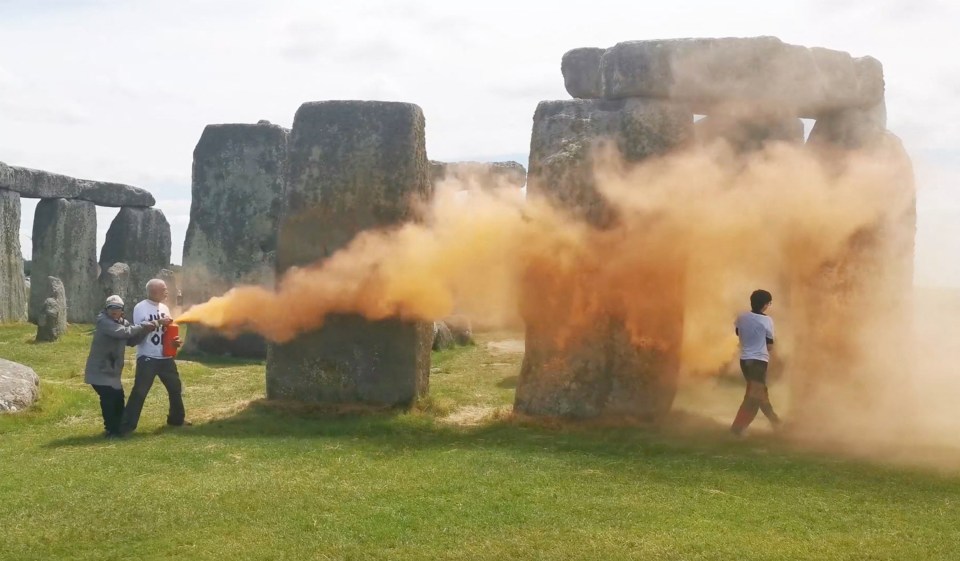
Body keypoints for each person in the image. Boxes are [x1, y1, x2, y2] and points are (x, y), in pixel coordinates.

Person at [84, 295, 157, 438]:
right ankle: (111, 430)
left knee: (118, 399)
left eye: (117, 308)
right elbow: (123, 332)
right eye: (111, 308)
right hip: (99, 370)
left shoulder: (123, 323)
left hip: (112, 371)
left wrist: (147, 330)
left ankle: (116, 429)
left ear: (122, 311)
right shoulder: (103, 321)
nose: (114, 311)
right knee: (109, 400)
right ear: (106, 309)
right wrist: (143, 325)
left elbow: (131, 340)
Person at [120, 279, 186, 434]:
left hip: (165, 358)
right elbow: (141, 328)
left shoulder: (164, 307)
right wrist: (158, 322)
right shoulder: (141, 307)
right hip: (147, 357)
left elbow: (167, 331)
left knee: (175, 388)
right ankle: (126, 426)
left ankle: (176, 420)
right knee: (140, 391)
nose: (167, 292)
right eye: (164, 289)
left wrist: (175, 342)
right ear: (154, 291)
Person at [730, 289, 781, 436]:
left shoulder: (741, 317)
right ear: (765, 304)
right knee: (755, 397)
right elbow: (770, 346)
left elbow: (739, 333)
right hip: (759, 362)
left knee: (759, 394)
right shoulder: (767, 320)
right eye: (769, 303)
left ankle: (776, 423)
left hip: (745, 360)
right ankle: (737, 429)